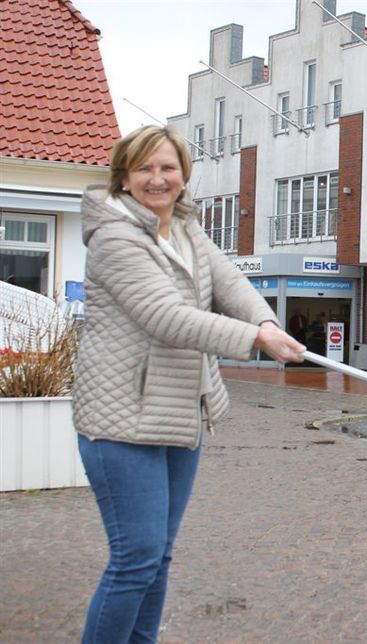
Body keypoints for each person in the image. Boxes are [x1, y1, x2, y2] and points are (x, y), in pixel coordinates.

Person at [73, 125, 306, 643]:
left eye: (168, 168)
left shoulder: (185, 228)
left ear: (184, 175)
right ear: (125, 177)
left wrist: (265, 321)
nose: (158, 179)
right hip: (121, 420)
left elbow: (231, 284)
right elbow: (166, 317)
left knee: (159, 557)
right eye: (145, 169)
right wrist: (255, 340)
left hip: (181, 413)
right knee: (135, 559)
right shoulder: (114, 237)